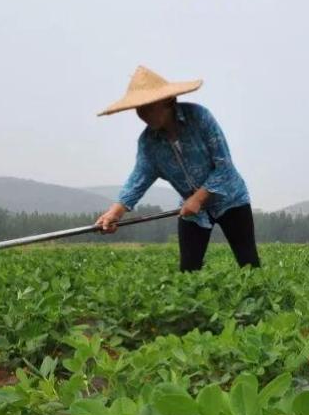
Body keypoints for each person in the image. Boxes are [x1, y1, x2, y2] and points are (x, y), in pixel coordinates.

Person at [95, 66, 260, 272]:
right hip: (192, 212)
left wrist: (199, 198)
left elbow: (224, 167)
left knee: (249, 265)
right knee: (188, 273)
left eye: (148, 106)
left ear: (168, 101)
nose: (143, 114)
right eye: (138, 109)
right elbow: (138, 179)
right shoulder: (148, 143)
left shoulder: (200, 118)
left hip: (231, 199)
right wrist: (115, 212)